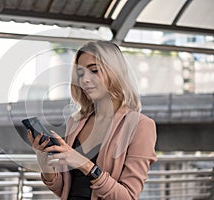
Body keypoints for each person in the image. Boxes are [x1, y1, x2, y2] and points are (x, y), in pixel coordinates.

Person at [27, 40, 157, 200]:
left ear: (115, 72)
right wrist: (43, 161)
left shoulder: (140, 126)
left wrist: (85, 164)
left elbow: (128, 196)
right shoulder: (75, 122)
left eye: (94, 71)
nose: (85, 80)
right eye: (80, 74)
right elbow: (65, 189)